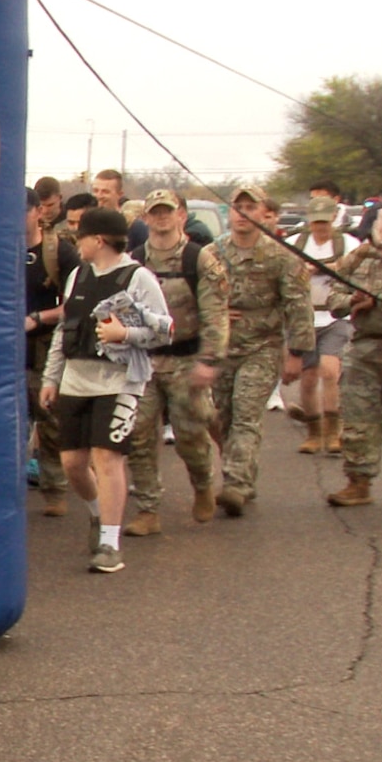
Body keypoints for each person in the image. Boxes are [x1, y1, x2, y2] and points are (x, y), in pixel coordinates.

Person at [39, 206, 175, 573]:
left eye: (80, 236)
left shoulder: (138, 278)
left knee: (107, 457)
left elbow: (165, 330)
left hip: (120, 379)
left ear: (97, 240)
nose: (76, 243)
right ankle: (98, 515)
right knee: (73, 463)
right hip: (76, 379)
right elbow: (64, 330)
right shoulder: (78, 275)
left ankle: (110, 544)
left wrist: (124, 334)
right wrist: (52, 378)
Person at [124, 189, 230, 534]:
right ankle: (148, 508)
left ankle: (202, 485)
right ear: (146, 218)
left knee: (190, 436)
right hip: (145, 361)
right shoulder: (134, 260)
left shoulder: (199, 260)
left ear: (181, 215)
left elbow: (216, 315)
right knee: (138, 435)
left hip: (186, 360)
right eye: (155, 212)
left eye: (168, 211)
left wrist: (209, 360)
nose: (162, 217)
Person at [211, 185, 313, 516]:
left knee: (246, 410)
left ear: (261, 212)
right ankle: (242, 474)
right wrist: (217, 312)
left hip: (263, 346)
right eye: (237, 207)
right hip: (224, 346)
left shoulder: (281, 256)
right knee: (223, 414)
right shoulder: (214, 253)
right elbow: (198, 296)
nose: (242, 214)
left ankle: (236, 484)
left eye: (250, 207)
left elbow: (299, 305)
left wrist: (297, 353)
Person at [323, 235, 382, 508]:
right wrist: (353, 300)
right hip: (363, 350)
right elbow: (333, 299)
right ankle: (358, 484)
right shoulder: (358, 260)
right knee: (358, 421)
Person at [289, 195, 363, 454]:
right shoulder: (294, 243)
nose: (320, 227)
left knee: (329, 371)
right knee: (308, 379)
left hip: (336, 317)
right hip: (304, 318)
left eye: (325, 221)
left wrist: (324, 268)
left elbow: (358, 270)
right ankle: (314, 432)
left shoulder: (349, 244)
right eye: (316, 221)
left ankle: (334, 431)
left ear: (334, 217)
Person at [25, 186, 84, 516]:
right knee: (11, 425)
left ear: (38, 212)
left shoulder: (58, 252)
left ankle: (54, 488)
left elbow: (77, 302)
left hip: (45, 347)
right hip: (4, 351)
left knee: (50, 423)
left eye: (24, 211)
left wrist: (38, 318)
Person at [92, 169, 148, 252]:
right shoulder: (85, 224)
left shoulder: (134, 227)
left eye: (105, 192)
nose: (99, 196)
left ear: (120, 194)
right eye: (96, 191)